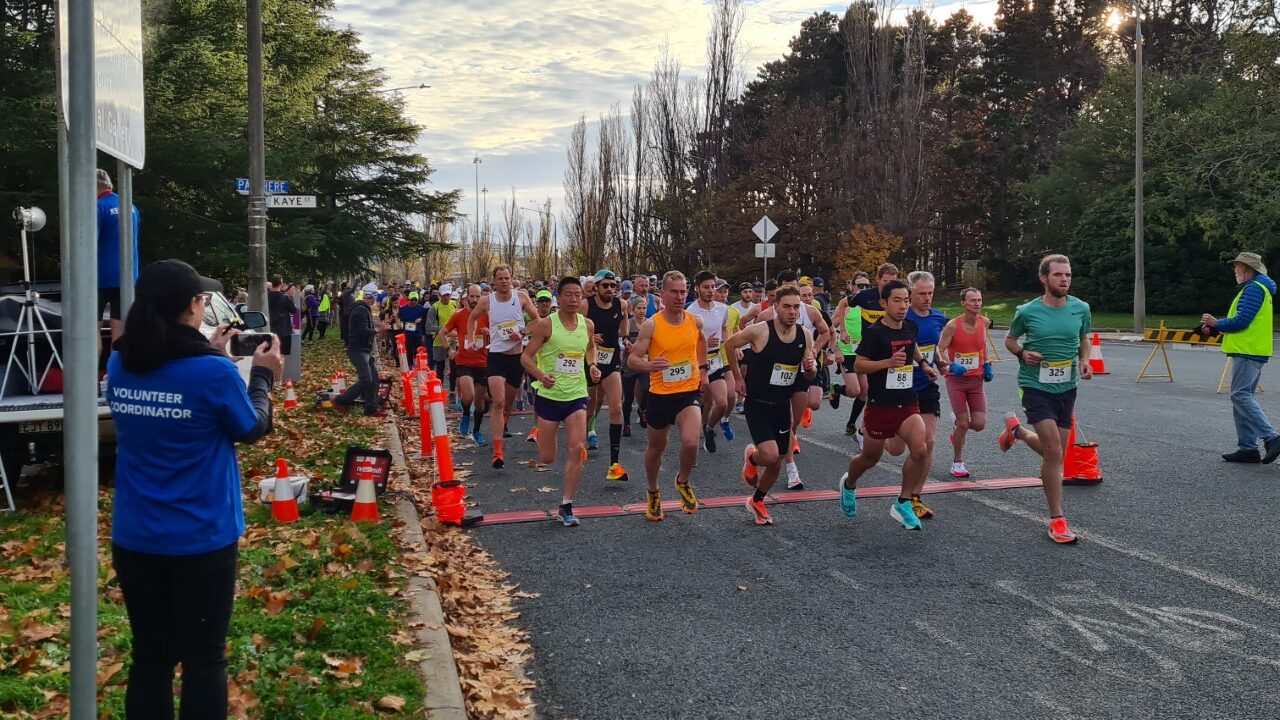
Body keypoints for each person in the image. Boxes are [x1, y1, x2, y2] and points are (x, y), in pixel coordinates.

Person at [107, 259, 281, 719]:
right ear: (191, 307)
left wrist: (208, 350)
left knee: (151, 656)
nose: (205, 305)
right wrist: (263, 374)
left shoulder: (121, 362)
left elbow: (170, 371)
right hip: (201, 536)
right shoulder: (212, 373)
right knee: (204, 659)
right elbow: (250, 426)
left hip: (136, 535)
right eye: (204, 300)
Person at [998, 254, 1093, 544]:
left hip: (1067, 386)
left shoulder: (1081, 308)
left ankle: (1018, 432)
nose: (1064, 279)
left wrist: (1085, 360)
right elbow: (1010, 339)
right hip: (1035, 385)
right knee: (1053, 452)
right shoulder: (1027, 311)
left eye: (1067, 275)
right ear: (1044, 279)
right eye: (1058, 275)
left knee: (1056, 453)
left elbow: (1085, 337)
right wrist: (1022, 353)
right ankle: (1057, 519)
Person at [838, 279, 938, 530]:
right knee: (870, 458)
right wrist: (887, 363)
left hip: (906, 402)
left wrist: (924, 365)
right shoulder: (874, 332)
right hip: (880, 405)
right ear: (883, 303)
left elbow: (912, 345)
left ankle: (903, 502)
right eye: (897, 300)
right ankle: (849, 484)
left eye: (906, 300)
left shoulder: (911, 327)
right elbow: (859, 364)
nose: (903, 305)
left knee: (921, 449)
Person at [724, 286, 817, 525]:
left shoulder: (804, 335)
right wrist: (737, 378)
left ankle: (757, 500)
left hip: (781, 405)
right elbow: (730, 345)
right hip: (757, 404)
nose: (792, 311)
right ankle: (754, 458)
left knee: (777, 461)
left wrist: (811, 369)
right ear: (775, 308)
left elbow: (808, 374)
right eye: (787, 306)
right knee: (771, 454)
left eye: (797, 307)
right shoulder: (759, 331)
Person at [522, 276, 600, 526]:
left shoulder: (587, 324)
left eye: (578, 295)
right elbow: (526, 358)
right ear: (559, 297)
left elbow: (589, 348)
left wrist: (593, 366)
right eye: (569, 294)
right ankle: (548, 443)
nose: (574, 299)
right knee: (548, 458)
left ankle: (566, 505)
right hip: (549, 396)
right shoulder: (546, 325)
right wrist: (541, 376)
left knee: (577, 447)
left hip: (576, 394)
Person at [627, 270, 704, 521]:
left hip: (688, 392)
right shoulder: (652, 324)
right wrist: (650, 366)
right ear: (663, 293)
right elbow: (632, 359)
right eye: (674, 291)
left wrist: (702, 368)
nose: (680, 296)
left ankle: (682, 481)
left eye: (683, 292)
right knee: (657, 448)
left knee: (692, 441)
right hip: (660, 395)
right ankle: (652, 491)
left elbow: (702, 342)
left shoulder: (694, 321)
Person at [1199, 252, 1280, 463]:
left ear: (1246, 269)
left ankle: (1272, 437)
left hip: (1248, 351)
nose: (1235, 271)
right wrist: (1216, 328)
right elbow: (1245, 322)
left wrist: (1217, 323)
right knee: (1242, 397)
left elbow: (1242, 321)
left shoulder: (1253, 289)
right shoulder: (1259, 288)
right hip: (1252, 350)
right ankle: (1248, 449)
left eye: (1237, 267)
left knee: (1240, 396)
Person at [886, 271, 947, 520]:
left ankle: (914, 497)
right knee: (896, 449)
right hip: (900, 386)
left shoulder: (938, 318)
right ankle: (874, 429)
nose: (927, 298)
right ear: (910, 294)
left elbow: (936, 349)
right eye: (921, 293)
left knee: (928, 442)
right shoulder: (900, 317)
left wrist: (941, 362)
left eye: (930, 293)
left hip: (926, 384)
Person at [470, 265, 541, 468]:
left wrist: (523, 332)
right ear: (494, 282)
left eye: (507, 278)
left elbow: (537, 320)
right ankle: (497, 451)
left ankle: (500, 429)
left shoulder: (521, 297)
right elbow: (472, 318)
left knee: (507, 406)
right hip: (496, 357)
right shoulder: (487, 301)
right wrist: (470, 338)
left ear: (512, 279)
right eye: (500, 278)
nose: (504, 281)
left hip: (516, 358)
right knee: (499, 401)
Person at [937, 287, 994, 478]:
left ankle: (957, 427)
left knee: (978, 424)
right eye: (972, 300)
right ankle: (958, 462)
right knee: (963, 422)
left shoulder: (983, 322)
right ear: (963, 303)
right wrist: (952, 365)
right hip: (957, 381)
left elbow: (982, 346)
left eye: (979, 300)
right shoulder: (953, 326)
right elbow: (941, 349)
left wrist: (986, 364)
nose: (977, 303)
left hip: (976, 380)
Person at [584, 269, 631, 482]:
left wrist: (627, 338)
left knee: (616, 407)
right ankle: (581, 439)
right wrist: (590, 336)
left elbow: (625, 324)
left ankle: (614, 463)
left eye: (613, 286)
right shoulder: (586, 305)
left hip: (611, 360)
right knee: (589, 405)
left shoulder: (621, 304)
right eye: (606, 286)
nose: (610, 290)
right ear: (596, 287)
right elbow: (574, 327)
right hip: (588, 359)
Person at [844, 264, 899, 441]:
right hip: (868, 350)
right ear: (878, 280)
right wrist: (843, 331)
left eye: (893, 281)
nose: (889, 285)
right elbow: (843, 305)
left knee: (884, 391)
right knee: (869, 391)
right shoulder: (865, 296)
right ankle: (860, 428)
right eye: (886, 281)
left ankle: (863, 428)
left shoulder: (897, 297)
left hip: (890, 349)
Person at [686, 271, 731, 453]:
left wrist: (726, 343)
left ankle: (710, 428)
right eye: (706, 287)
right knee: (703, 405)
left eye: (713, 287)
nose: (711, 291)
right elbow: (687, 340)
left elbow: (725, 329)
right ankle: (693, 445)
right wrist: (703, 341)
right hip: (697, 364)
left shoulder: (722, 309)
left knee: (722, 403)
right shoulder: (691, 312)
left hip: (716, 361)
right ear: (697, 289)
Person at [96, 168, 141, 344]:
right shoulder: (131, 207)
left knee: (91, 332)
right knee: (121, 335)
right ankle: (116, 370)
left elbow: (89, 242)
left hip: (98, 277)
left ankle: (91, 371)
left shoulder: (97, 206)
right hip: (127, 278)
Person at [444, 284, 490, 445]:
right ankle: (464, 414)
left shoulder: (487, 315)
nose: (475, 300)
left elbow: (498, 336)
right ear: (466, 298)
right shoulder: (459, 315)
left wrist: (490, 333)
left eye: (478, 297)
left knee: (479, 404)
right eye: (472, 296)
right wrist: (448, 349)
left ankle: (476, 431)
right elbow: (442, 332)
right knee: (468, 395)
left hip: (483, 363)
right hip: (464, 362)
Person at [333, 283, 386, 416]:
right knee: (366, 380)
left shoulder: (364, 309)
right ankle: (341, 401)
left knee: (374, 380)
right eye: (374, 297)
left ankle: (371, 408)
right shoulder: (359, 310)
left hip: (364, 350)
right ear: (370, 296)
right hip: (358, 350)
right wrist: (378, 330)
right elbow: (363, 331)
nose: (375, 300)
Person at [426, 284, 458, 403]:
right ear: (440, 295)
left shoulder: (454, 304)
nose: (446, 297)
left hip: (453, 340)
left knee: (453, 367)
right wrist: (445, 329)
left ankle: (452, 392)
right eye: (444, 295)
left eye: (448, 295)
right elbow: (428, 327)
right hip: (438, 341)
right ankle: (438, 391)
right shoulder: (434, 308)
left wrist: (455, 332)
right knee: (440, 367)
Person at [267, 275, 297, 356]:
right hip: (284, 331)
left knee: (270, 355)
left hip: (269, 330)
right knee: (281, 356)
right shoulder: (284, 297)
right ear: (281, 284)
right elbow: (294, 310)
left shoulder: (266, 297)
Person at [397, 291, 428, 362]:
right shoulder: (403, 309)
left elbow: (426, 319)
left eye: (415, 300)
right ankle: (410, 365)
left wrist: (421, 319)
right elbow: (398, 317)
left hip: (418, 333)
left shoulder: (422, 309)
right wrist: (399, 322)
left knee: (418, 350)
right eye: (412, 299)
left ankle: (418, 365)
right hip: (407, 333)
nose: (413, 301)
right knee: (409, 350)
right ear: (408, 299)